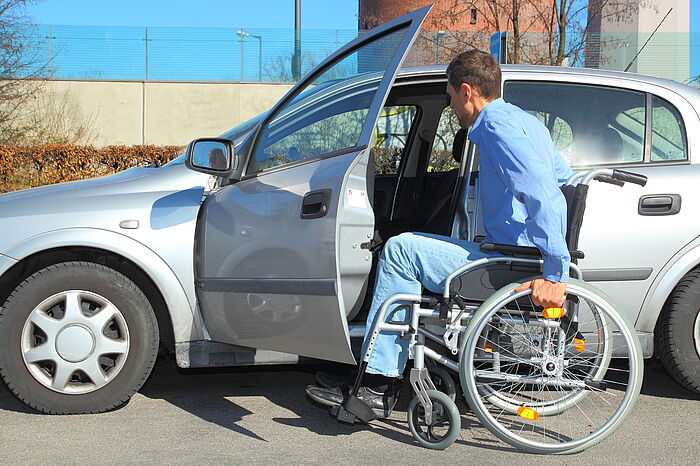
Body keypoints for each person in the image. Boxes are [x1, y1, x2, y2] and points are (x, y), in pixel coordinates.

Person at [306, 49, 573, 417]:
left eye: (449, 97)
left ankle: (379, 385)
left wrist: (554, 272)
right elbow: (562, 178)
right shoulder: (526, 122)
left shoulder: (498, 127)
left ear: (466, 91)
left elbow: (546, 193)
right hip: (508, 252)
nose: (450, 106)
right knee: (412, 245)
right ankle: (373, 367)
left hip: (512, 263)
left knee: (400, 250)